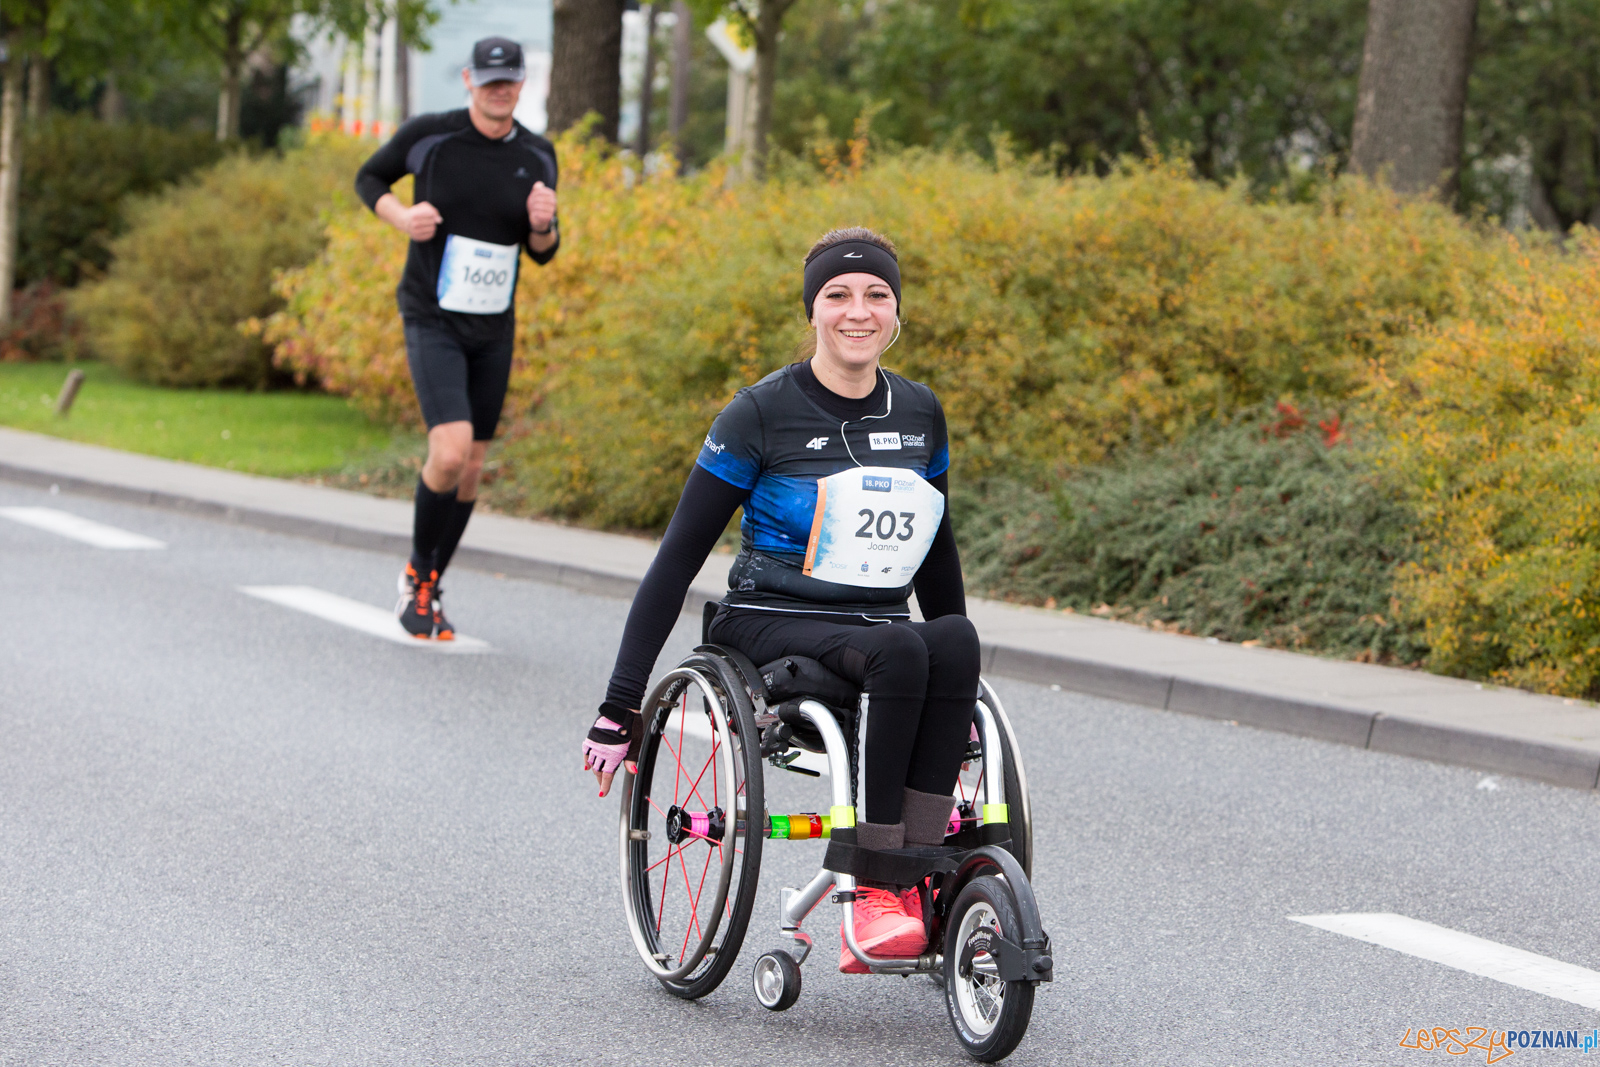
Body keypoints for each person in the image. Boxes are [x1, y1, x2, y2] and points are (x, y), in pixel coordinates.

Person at [582, 227, 980, 973]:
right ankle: (873, 890)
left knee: (953, 639)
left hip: (876, 623)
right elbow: (675, 562)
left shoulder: (920, 412)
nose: (857, 311)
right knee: (898, 650)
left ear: (897, 313)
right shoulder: (760, 413)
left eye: (877, 296)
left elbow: (936, 547)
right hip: (767, 621)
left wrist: (951, 680)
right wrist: (619, 703)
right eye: (838, 295)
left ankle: (920, 874)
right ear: (813, 310)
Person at [355, 35, 560, 640]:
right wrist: (401, 216)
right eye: (489, 79)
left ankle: (430, 583)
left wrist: (544, 227)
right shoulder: (431, 136)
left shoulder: (539, 154)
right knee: (449, 450)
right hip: (432, 315)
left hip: (493, 326)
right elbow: (369, 178)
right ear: (469, 80)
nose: (500, 89)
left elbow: (543, 252)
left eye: (510, 80)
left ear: (522, 85)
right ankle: (417, 574)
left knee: (471, 468)